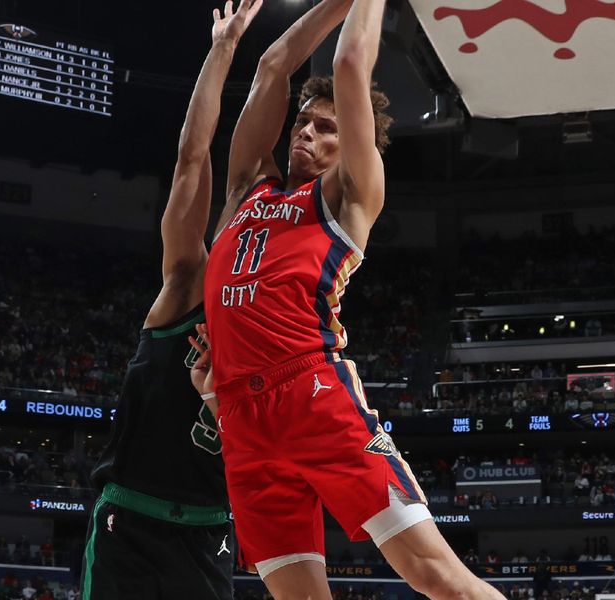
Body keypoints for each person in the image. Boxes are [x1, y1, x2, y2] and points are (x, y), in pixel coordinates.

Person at [196, 0, 506, 598]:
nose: (308, 133)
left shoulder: (348, 195)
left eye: (328, 128)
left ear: (354, 145)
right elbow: (270, 67)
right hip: (241, 421)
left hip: (312, 396)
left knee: (437, 577)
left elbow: (350, 63)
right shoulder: (245, 192)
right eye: (303, 124)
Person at [79, 2, 263, 599]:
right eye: (243, 211)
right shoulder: (188, 282)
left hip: (208, 529)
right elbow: (191, 158)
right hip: (130, 518)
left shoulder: (271, 327)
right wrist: (223, 48)